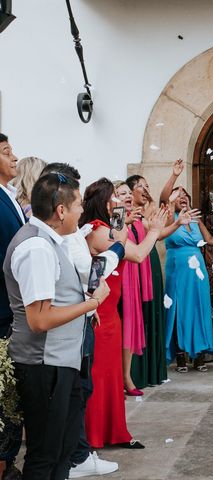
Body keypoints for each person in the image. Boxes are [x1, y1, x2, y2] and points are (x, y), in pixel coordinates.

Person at [4, 172, 111, 479]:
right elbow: (38, 320)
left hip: (60, 360)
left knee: (62, 451)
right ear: (61, 211)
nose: (82, 211)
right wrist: (92, 303)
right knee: (45, 456)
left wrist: (82, 294)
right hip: (43, 364)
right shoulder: (36, 247)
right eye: (78, 204)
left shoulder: (50, 241)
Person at [79, 178, 168, 452]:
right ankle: (94, 436)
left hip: (111, 313)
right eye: (114, 198)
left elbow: (120, 237)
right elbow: (138, 254)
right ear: (104, 202)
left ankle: (114, 431)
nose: (120, 201)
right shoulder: (96, 231)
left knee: (111, 375)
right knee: (100, 375)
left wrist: (121, 216)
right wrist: (154, 231)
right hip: (100, 314)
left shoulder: (107, 227)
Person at [163, 186, 213, 372]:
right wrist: (172, 187)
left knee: (199, 309)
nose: (184, 198)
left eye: (186, 195)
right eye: (179, 196)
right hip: (178, 270)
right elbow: (164, 200)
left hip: (198, 272)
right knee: (179, 309)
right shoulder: (169, 217)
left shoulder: (196, 219)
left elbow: (209, 239)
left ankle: (198, 355)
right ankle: (180, 356)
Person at [126, 174, 168, 388]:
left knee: (151, 315)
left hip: (149, 262)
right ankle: (134, 373)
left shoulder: (144, 216)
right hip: (136, 265)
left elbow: (158, 234)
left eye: (147, 185)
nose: (145, 189)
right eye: (140, 186)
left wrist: (178, 223)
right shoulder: (128, 218)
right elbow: (161, 198)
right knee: (138, 317)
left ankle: (152, 370)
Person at [0, 133, 24, 480]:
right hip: (3, 308)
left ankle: (9, 460)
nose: (14, 157)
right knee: (5, 393)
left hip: (11, 308)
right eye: (6, 153)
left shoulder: (9, 197)